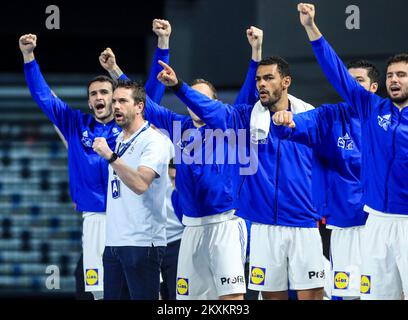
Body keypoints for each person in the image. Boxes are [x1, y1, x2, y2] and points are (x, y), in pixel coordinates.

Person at [99, 26, 264, 300]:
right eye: (192, 99)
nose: (195, 105)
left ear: (213, 103)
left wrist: (256, 52)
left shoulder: (230, 126)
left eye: (201, 99)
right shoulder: (179, 127)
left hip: (224, 223)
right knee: (187, 300)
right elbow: (143, 104)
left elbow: (248, 93)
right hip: (190, 227)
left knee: (231, 299)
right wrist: (116, 70)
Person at [19, 23, 169, 299]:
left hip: (132, 222)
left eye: (104, 93)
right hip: (96, 221)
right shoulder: (76, 125)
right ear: (89, 102)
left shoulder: (130, 128)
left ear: (116, 100)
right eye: (93, 94)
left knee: (145, 293)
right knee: (102, 295)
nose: (99, 97)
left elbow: (151, 92)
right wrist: (29, 57)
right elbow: (43, 97)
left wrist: (163, 43)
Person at [157, 56, 325, 300]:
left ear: (286, 81)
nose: (261, 84)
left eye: (269, 78)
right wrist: (178, 86)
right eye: (258, 79)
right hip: (263, 226)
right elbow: (210, 109)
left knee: (312, 295)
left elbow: (327, 162)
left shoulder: (310, 117)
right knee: (271, 297)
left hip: (303, 221)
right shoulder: (243, 119)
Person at [298, 2, 408, 300]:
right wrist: (311, 28)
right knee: (375, 296)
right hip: (377, 221)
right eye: (391, 75)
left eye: (402, 75)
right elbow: (337, 73)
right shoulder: (373, 108)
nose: (394, 80)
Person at [271, 59, 380, 299]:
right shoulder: (330, 117)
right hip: (347, 225)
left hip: (387, 223)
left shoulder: (388, 119)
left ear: (373, 88)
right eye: (348, 81)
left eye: (359, 81)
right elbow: (293, 126)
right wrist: (283, 122)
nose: (351, 86)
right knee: (348, 294)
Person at [92, 80, 170, 300]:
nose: (115, 106)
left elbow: (140, 184)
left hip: (142, 242)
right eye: (114, 101)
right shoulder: (117, 140)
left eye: (123, 101)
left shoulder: (154, 141)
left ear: (139, 106)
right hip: (114, 241)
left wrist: (110, 157)